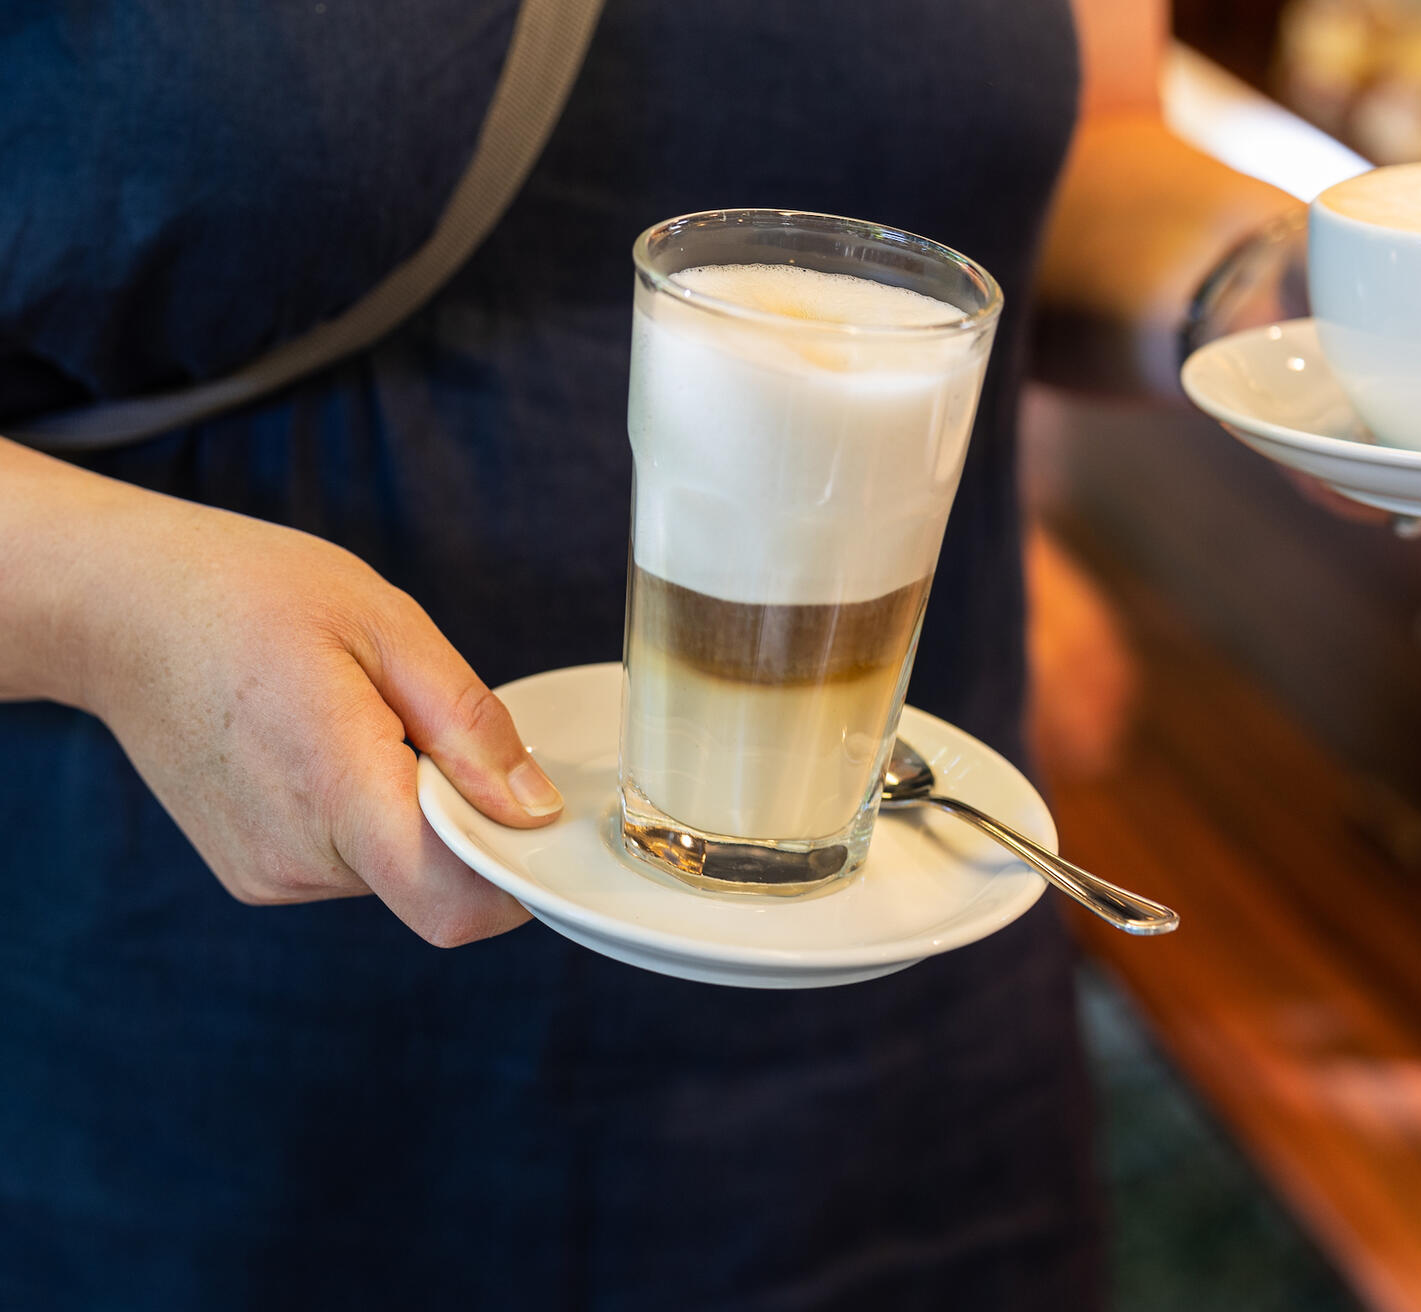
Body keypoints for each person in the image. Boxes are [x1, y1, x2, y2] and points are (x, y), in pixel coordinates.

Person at [0, 1, 1294, 1306]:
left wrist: (1262, 304)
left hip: (880, 1013)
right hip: (205, 1024)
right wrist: (108, 603)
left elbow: (1078, 148)